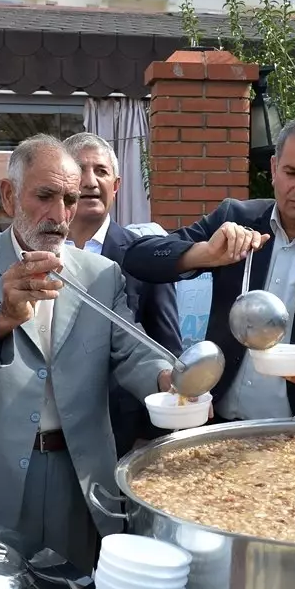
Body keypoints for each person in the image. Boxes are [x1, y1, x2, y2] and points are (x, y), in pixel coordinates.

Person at [0, 135, 173, 574]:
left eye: (70, 199)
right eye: (45, 196)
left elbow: (133, 351)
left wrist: (171, 381)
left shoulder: (100, 275)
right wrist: (1, 317)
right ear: (10, 194)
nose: (59, 215)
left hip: (78, 477)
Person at [122, 116, 295, 421]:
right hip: (218, 421)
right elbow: (139, 258)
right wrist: (205, 254)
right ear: (275, 169)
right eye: (291, 172)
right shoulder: (236, 218)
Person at [62, 132, 182, 454]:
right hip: (55, 430)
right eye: (79, 170)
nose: (90, 182)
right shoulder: (41, 253)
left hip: (124, 434)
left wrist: (152, 435)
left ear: (115, 186)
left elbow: (165, 348)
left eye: (100, 171)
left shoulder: (144, 257)